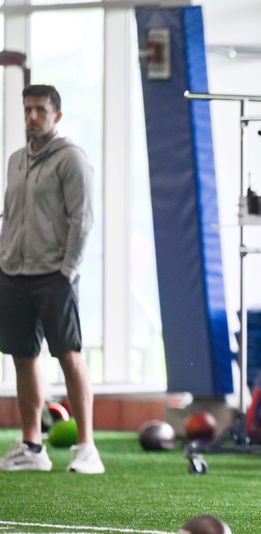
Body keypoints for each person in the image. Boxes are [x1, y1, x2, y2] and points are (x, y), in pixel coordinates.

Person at [0, 84, 103, 474]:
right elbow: (11, 215)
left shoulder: (71, 159)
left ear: (56, 116)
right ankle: (32, 446)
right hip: (13, 272)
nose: (32, 117)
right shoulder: (14, 160)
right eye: (27, 110)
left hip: (55, 275)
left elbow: (83, 219)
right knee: (22, 358)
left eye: (40, 110)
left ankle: (86, 448)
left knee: (69, 356)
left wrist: (67, 271)